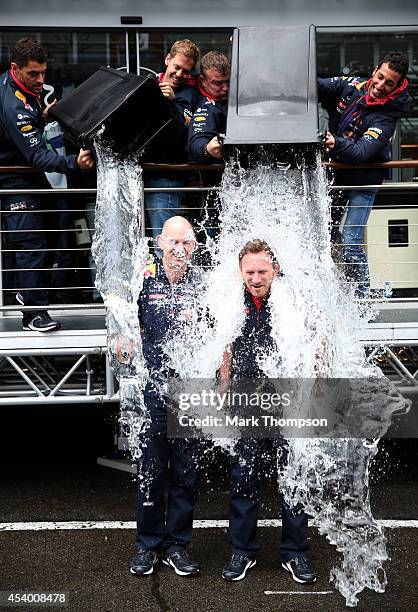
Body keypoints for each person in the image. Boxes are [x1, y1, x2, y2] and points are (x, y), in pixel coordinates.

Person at [219, 239, 316, 584]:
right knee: (243, 478)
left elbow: (312, 339)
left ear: (274, 269)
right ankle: (242, 552)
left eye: (262, 271)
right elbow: (225, 342)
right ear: (241, 272)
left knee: (294, 478)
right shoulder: (232, 300)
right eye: (250, 272)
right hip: (246, 399)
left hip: (285, 398)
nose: (256, 278)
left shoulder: (290, 301)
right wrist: (224, 383)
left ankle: (296, 554)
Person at [0, 37, 94, 331]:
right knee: (32, 244)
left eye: (43, 73)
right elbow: (38, 156)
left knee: (53, 226)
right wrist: (74, 164)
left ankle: (25, 291)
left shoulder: (17, 86)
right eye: (34, 74)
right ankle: (33, 314)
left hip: (26, 176)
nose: (41, 80)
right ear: (15, 68)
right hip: (13, 180)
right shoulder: (14, 106)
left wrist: (40, 117)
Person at [130, 216, 202, 578]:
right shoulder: (142, 278)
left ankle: (177, 546)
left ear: (193, 245)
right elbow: (123, 321)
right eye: (173, 242)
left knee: (187, 474)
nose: (179, 249)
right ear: (160, 242)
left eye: (186, 242)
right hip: (151, 391)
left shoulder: (202, 282)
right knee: (151, 473)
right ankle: (148, 545)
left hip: (188, 394)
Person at [318, 52, 411, 297]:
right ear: (374, 71)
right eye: (380, 77)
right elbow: (316, 85)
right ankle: (334, 292)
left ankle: (361, 297)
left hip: (364, 182)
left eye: (389, 83)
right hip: (337, 177)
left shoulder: (387, 116)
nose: (380, 86)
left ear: (397, 85)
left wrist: (333, 142)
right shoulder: (353, 85)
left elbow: (360, 152)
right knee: (325, 235)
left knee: (350, 240)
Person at [142, 39, 200, 241]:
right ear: (167, 59)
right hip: (138, 173)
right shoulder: (147, 83)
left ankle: (167, 274)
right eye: (177, 67)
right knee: (142, 242)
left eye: (186, 71)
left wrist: (172, 103)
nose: (180, 74)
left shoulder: (190, 95)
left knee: (165, 243)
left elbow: (183, 134)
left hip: (165, 176)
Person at [188, 51, 230, 162]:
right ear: (203, 81)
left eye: (228, 81)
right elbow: (196, 142)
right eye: (218, 83)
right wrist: (207, 149)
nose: (225, 88)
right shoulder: (206, 107)